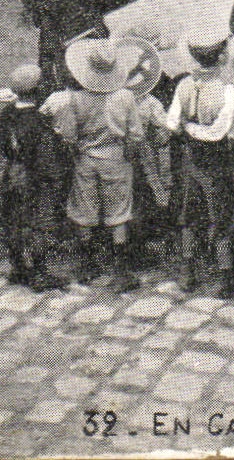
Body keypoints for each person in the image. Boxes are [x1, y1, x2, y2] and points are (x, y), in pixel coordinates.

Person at [165, 38, 234, 296]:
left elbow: (171, 123)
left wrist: (187, 127)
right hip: (216, 161)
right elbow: (219, 132)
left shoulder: (184, 84)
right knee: (220, 218)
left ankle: (188, 272)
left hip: (190, 158)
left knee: (189, 216)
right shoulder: (226, 89)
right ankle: (226, 277)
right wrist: (197, 129)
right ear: (221, 56)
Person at [42, 37, 146, 291]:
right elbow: (136, 134)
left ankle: (87, 263)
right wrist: (128, 153)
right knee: (119, 211)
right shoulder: (125, 97)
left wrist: (77, 147)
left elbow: (68, 134)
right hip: (115, 157)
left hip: (86, 159)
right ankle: (121, 270)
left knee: (84, 210)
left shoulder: (75, 99)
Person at [0, 63, 70, 292]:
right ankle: (39, 272)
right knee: (39, 223)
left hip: (13, 173)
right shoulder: (38, 120)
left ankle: (17, 266)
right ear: (38, 90)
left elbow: (2, 143)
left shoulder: (7, 113)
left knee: (14, 221)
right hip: (36, 178)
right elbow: (47, 156)